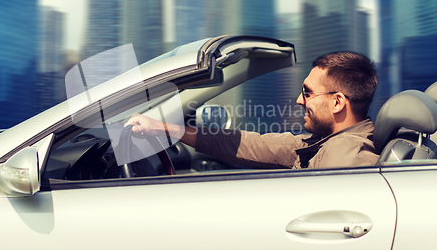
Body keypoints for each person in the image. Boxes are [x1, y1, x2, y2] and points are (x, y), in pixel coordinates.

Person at [125, 51, 379, 169]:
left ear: (337, 102)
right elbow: (252, 143)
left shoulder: (349, 156)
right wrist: (162, 128)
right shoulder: (323, 143)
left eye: (308, 92)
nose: (299, 100)